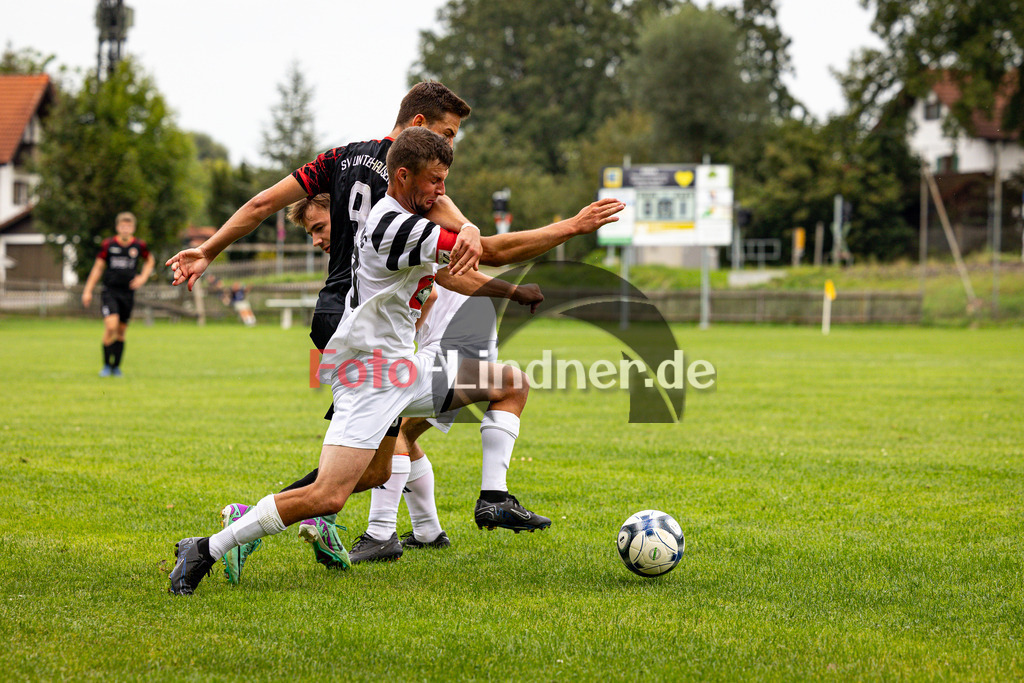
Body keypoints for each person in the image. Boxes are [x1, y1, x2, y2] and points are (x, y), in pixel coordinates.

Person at [168, 128, 622, 595]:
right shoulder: (394, 226)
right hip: (370, 377)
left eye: (445, 180)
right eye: (435, 181)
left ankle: (493, 499)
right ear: (403, 176)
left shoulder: (410, 219)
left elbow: (454, 274)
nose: (442, 192)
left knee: (507, 386)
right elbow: (492, 251)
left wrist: (510, 291)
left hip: (404, 370)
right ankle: (206, 548)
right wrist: (574, 225)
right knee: (327, 495)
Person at [81, 212, 155, 377]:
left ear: (133, 228)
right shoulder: (108, 245)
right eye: (122, 226)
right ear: (117, 228)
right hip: (110, 292)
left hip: (128, 294)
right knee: (111, 326)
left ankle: (116, 367)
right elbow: (98, 268)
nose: (125, 229)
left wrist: (142, 278)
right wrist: (88, 290)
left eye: (128, 226)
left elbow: (150, 261)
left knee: (121, 331)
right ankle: (106, 366)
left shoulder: (139, 246)